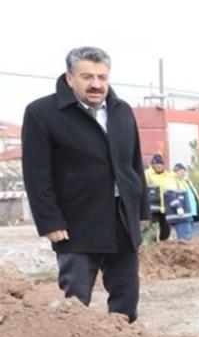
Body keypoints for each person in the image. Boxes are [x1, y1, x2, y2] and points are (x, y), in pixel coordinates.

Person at [21, 46, 148, 321]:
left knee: (127, 294)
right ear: (70, 78)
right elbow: (36, 173)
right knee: (76, 300)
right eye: (87, 76)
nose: (96, 84)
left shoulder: (122, 111)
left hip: (122, 219)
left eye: (102, 77)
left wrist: (141, 211)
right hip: (76, 222)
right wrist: (50, 221)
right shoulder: (42, 113)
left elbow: (134, 165)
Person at [143, 153, 178, 241]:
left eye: (160, 164)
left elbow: (172, 188)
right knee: (152, 229)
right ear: (152, 164)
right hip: (153, 207)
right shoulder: (147, 174)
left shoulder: (168, 175)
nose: (159, 166)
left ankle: (163, 246)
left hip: (165, 207)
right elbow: (142, 189)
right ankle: (151, 246)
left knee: (166, 229)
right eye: (156, 164)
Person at [168, 163, 199, 241]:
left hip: (189, 214)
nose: (183, 173)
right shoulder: (172, 181)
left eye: (184, 171)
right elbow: (170, 196)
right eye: (181, 171)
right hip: (181, 215)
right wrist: (178, 207)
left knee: (188, 236)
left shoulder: (185, 182)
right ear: (176, 171)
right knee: (184, 238)